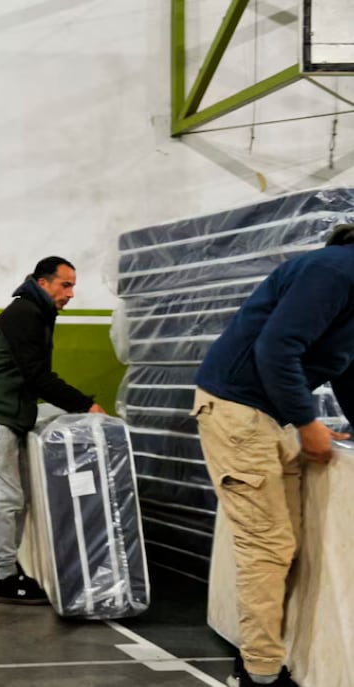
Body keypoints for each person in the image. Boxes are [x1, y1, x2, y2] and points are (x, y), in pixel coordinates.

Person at [192, 224, 354, 687]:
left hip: (271, 415)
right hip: (239, 412)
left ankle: (259, 658)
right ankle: (259, 675)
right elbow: (276, 347)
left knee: (288, 544)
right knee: (268, 546)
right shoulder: (334, 270)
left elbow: (346, 367)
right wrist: (308, 422)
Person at [0, 256, 105, 604]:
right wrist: (85, 405)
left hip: (9, 414)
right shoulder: (25, 314)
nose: (71, 293)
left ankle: (6, 567)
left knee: (18, 498)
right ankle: (6, 579)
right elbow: (39, 377)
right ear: (43, 283)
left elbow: (35, 376)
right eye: (65, 285)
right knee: (7, 500)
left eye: (73, 286)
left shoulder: (37, 312)